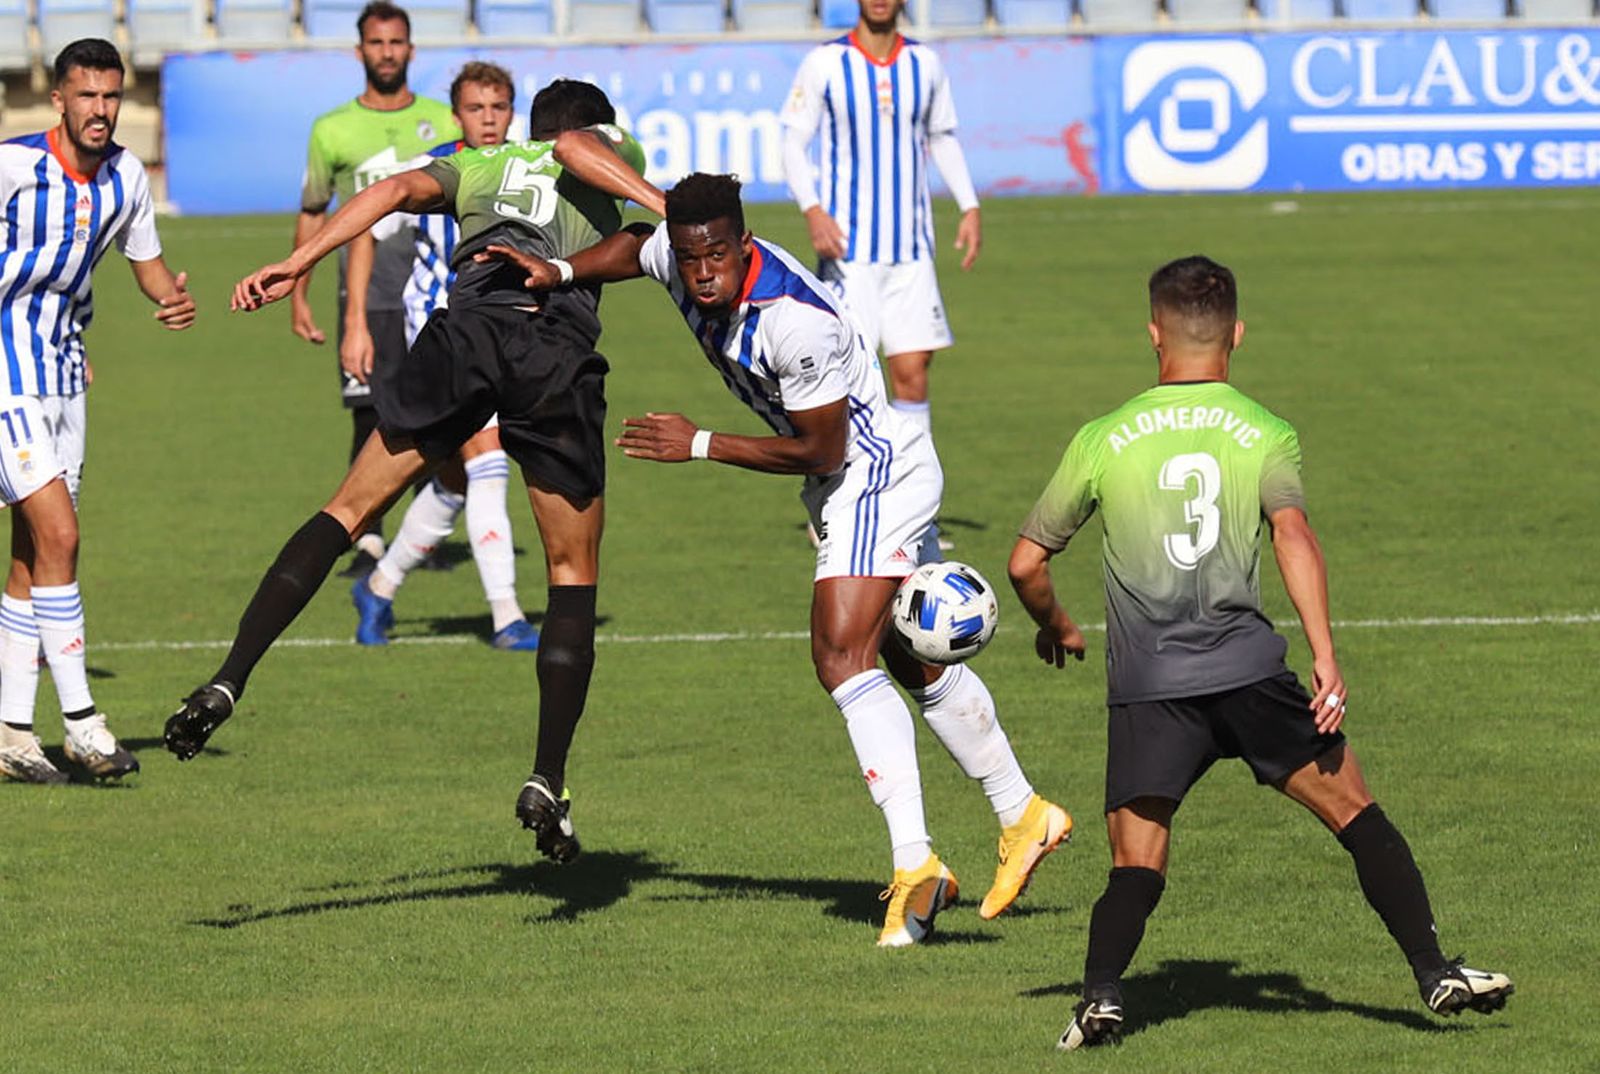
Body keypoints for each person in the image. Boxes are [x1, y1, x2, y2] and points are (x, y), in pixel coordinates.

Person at [481, 170, 1069, 947]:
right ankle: (1022, 812)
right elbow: (634, 246)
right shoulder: (683, 257)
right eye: (690, 260)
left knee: (839, 653)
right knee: (898, 651)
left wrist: (697, 443)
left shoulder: (795, 322)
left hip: (868, 470)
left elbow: (820, 446)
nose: (701, 275)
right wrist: (560, 270)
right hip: (846, 481)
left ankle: (916, 868)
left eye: (716, 257)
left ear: (744, 243)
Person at [1005, 255, 1513, 1049]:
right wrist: (1325, 655)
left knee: (1136, 864)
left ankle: (1101, 996)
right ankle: (1434, 970)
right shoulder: (1267, 431)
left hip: (1148, 689)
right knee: (1356, 814)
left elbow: (1025, 562)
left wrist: (1055, 625)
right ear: (1236, 335)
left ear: (1153, 335)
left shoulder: (1103, 438)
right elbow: (1293, 535)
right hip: (1250, 675)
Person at [163, 81, 648, 866]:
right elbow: (578, 155)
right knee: (570, 567)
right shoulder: (604, 152)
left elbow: (388, 190)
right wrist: (667, 206)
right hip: (549, 348)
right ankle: (546, 777)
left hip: (463, 335)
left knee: (347, 507)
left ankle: (228, 678)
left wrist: (299, 261)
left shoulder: (478, 163)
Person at [0, 38, 195, 783]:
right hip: (5, 374)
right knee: (61, 533)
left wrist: (169, 298)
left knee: (33, 553)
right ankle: (82, 724)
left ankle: (14, 733)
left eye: (111, 96)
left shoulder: (126, 177)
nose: (101, 110)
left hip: (65, 376)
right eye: (86, 96)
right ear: (58, 99)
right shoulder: (13, 167)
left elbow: (145, 264)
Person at [341, 61, 540, 652]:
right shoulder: (432, 171)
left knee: (453, 480)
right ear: (456, 115)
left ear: (511, 112)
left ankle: (379, 585)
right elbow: (363, 226)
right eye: (476, 108)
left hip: (504, 334)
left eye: (498, 107)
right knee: (487, 457)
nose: (488, 118)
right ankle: (506, 615)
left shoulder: (525, 169)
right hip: (443, 332)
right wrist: (356, 322)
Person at [779, 0, 982, 547]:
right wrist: (813, 209)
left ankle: (916, 505)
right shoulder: (825, 63)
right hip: (849, 250)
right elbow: (792, 140)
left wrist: (969, 205)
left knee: (912, 372)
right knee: (846, 378)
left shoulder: (926, 64)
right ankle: (831, 496)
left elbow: (941, 137)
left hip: (911, 249)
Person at [294, 1, 459, 578]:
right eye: (376, 43)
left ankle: (424, 527)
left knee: (437, 410)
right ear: (359, 50)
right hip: (364, 295)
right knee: (369, 414)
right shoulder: (332, 129)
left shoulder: (447, 123)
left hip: (434, 292)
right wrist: (298, 291)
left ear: (410, 50)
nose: (386, 53)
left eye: (396, 43)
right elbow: (314, 211)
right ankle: (366, 536)